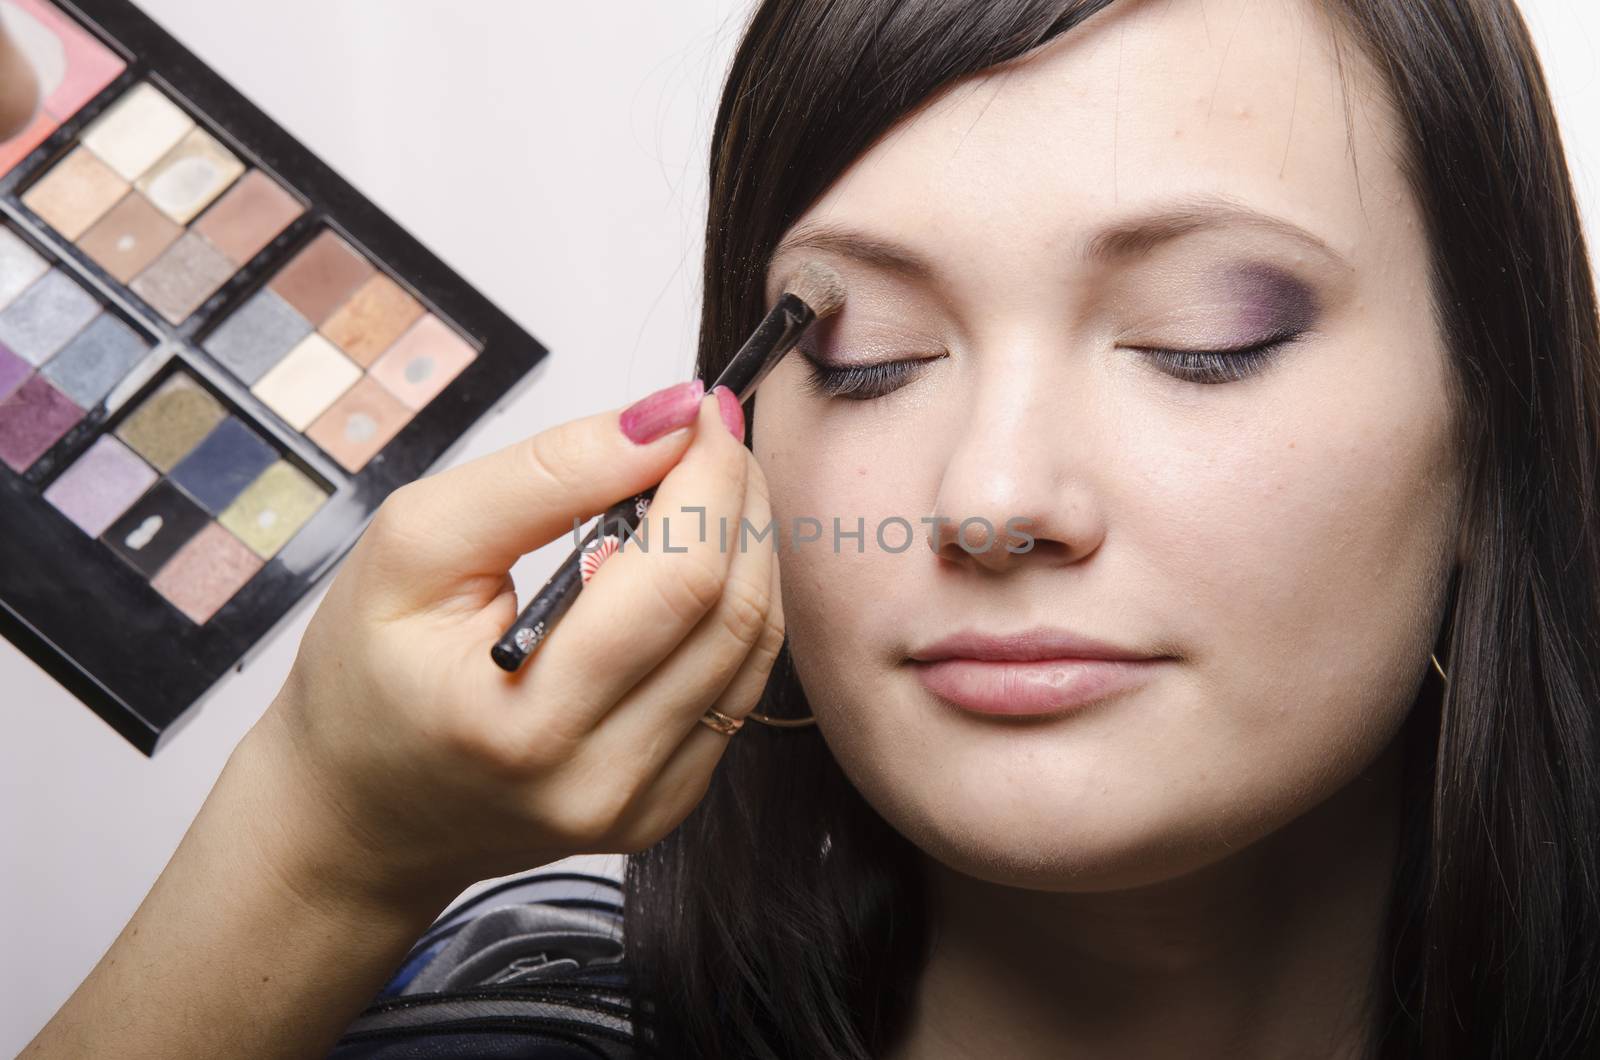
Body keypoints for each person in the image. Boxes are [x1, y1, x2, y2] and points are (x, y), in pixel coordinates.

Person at [23, 0, 1600, 1057]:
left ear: (1496, 411)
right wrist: (321, 847)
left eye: (1207, 333)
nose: (989, 499)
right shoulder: (533, 1016)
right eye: (866, 355)